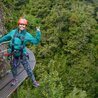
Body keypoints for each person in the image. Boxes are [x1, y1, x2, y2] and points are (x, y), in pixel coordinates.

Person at [0, 18, 41, 87]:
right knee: (13, 68)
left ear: (26, 26)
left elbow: (35, 41)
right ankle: (15, 79)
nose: (22, 26)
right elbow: (5, 38)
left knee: (28, 68)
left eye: (24, 25)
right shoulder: (13, 32)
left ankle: (34, 81)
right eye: (21, 24)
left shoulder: (27, 35)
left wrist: (38, 32)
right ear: (18, 25)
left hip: (22, 55)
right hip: (13, 54)